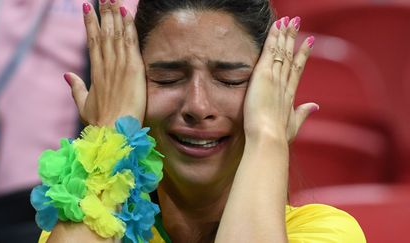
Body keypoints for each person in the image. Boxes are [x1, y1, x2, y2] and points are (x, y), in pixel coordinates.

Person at [37, 0, 366, 242]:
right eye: (167, 78)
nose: (198, 105)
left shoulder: (329, 233)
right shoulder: (86, 224)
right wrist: (112, 128)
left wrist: (267, 136)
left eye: (231, 79)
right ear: (128, 88)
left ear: (273, 94)